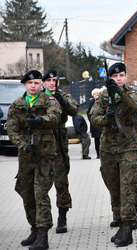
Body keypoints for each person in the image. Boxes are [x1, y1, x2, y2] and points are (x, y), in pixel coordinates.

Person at [90, 62, 137, 247]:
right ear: (110, 78)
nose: (118, 79)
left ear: (126, 77)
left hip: (129, 147)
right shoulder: (103, 96)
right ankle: (119, 218)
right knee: (113, 185)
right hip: (108, 148)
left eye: (121, 76)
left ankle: (127, 228)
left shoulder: (133, 94)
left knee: (127, 186)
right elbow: (93, 118)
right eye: (115, 77)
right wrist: (106, 118)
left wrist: (122, 94)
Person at [7, 70, 62, 250]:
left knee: (40, 194)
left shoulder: (49, 101)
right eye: (30, 83)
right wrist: (23, 145)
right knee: (26, 192)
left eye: (37, 83)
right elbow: (12, 130)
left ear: (42, 85)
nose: (33, 86)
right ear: (24, 85)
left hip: (44, 156)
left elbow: (55, 117)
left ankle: (43, 234)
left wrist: (40, 120)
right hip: (26, 156)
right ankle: (34, 228)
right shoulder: (17, 105)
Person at [42, 69, 79, 234]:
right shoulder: (36, 96)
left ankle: (62, 218)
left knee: (61, 183)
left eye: (54, 80)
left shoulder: (63, 95)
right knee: (40, 186)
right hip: (41, 147)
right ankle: (40, 221)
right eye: (48, 80)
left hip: (58, 147)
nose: (51, 83)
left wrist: (62, 101)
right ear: (43, 82)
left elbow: (74, 110)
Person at [87, 88, 102, 159]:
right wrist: (91, 120)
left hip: (101, 123)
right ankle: (98, 154)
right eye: (95, 94)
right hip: (94, 125)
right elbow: (88, 112)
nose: (96, 95)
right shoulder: (91, 102)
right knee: (97, 139)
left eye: (98, 94)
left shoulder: (102, 101)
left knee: (102, 138)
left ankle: (102, 153)